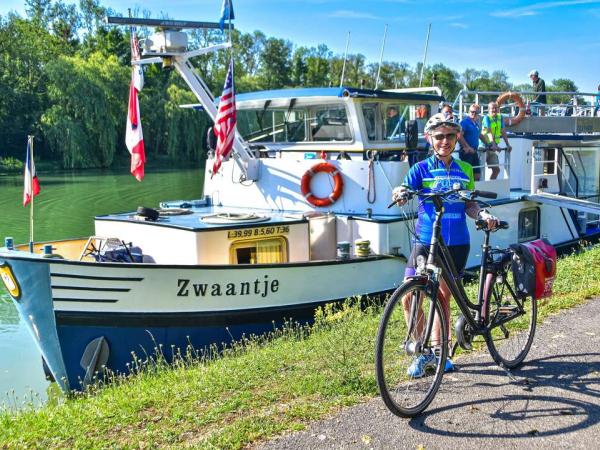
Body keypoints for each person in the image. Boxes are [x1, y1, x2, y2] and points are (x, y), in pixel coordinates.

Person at [392, 113, 500, 378]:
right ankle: (422, 353)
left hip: (457, 243)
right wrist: (399, 193)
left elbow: (470, 205)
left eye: (450, 136)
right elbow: (403, 188)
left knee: (442, 298)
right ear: (429, 138)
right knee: (409, 296)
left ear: (456, 138)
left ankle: (442, 355)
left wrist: (482, 215)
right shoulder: (421, 168)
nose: (444, 141)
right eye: (438, 136)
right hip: (425, 241)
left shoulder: (465, 170)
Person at [458, 104, 492, 181]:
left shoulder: (476, 124)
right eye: (472, 112)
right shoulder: (464, 122)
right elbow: (459, 136)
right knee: (467, 175)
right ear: (468, 112)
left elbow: (480, 135)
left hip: (474, 151)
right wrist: (467, 147)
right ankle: (467, 192)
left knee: (477, 175)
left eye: (476, 112)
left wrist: (488, 144)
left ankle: (474, 192)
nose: (474, 113)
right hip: (466, 153)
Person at [482, 102, 511, 180]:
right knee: (480, 170)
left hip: (492, 148)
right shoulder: (486, 118)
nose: (494, 110)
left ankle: (489, 187)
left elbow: (503, 131)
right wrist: (493, 145)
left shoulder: (500, 117)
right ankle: (478, 189)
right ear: (488, 110)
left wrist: (508, 144)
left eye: (496, 108)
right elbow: (489, 131)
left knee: (496, 170)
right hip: (483, 148)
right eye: (492, 108)